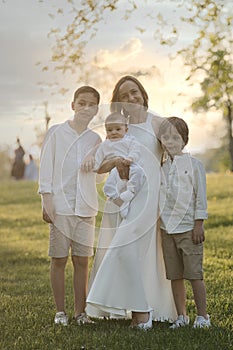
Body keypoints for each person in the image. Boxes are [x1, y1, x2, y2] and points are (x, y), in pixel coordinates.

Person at [86, 76, 177, 329]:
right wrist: (115, 162)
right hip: (123, 198)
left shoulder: (158, 122)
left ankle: (144, 311)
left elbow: (174, 155)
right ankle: (133, 308)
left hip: (150, 197)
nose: (131, 98)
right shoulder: (119, 126)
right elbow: (101, 166)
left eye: (134, 92)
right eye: (124, 96)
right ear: (119, 103)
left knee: (132, 251)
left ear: (143, 93)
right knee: (125, 251)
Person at [38, 86, 102, 326]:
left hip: (85, 208)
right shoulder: (56, 133)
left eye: (91, 105)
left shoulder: (95, 139)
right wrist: (47, 200)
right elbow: (46, 168)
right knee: (58, 259)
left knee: (82, 261)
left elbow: (98, 177)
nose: (86, 108)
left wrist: (96, 160)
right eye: (82, 103)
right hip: (61, 207)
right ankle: (60, 312)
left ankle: (80, 313)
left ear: (96, 110)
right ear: (72, 105)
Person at [158, 116, 210, 329]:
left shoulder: (194, 165)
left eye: (175, 137)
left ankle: (202, 317)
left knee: (194, 274)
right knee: (175, 275)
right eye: (166, 137)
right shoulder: (161, 167)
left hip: (189, 228)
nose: (170, 141)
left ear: (184, 140)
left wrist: (199, 223)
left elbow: (201, 196)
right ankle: (182, 316)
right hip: (166, 229)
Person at [94, 111, 145, 219]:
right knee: (110, 183)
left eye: (118, 129)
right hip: (115, 168)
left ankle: (131, 191)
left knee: (139, 172)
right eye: (109, 130)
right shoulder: (105, 144)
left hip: (130, 164)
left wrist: (130, 158)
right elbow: (99, 155)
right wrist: (96, 165)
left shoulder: (129, 140)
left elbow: (136, 149)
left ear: (125, 130)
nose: (113, 132)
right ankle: (118, 199)